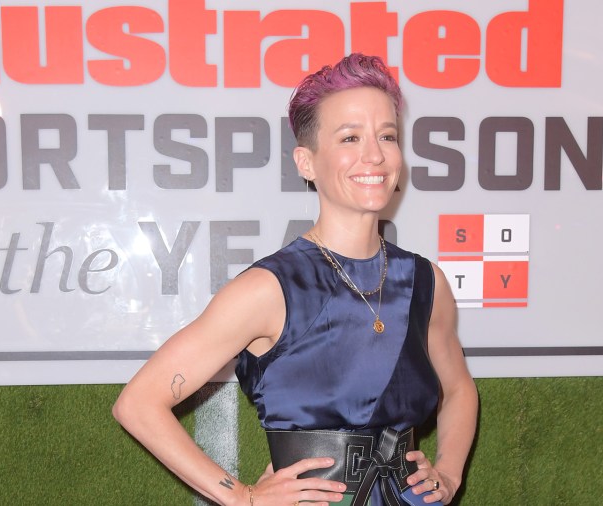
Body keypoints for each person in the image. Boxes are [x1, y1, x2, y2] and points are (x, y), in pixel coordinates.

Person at [113, 53, 478, 506]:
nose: (375, 155)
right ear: (307, 163)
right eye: (350, 137)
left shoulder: (426, 282)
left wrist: (448, 472)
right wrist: (243, 497)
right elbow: (139, 403)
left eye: (388, 136)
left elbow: (459, 387)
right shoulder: (269, 288)